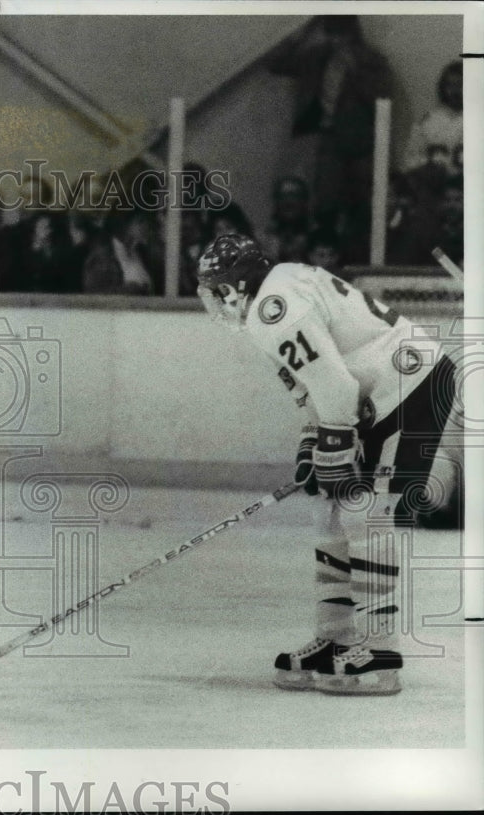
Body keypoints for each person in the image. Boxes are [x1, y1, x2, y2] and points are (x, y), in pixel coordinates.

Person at [196, 233, 459, 695]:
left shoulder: (273, 306)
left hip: (415, 386)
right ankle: (335, 639)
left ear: (237, 286)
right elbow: (314, 389)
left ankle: (380, 654)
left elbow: (335, 386)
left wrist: (333, 445)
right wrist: (312, 444)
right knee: (331, 511)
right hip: (379, 395)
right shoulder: (273, 300)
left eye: (217, 291)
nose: (215, 303)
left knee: (369, 513)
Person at [266, 15, 393, 263]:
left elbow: (382, 97)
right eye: (332, 33)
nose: (337, 40)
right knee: (326, 204)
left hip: (361, 143)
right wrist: (299, 33)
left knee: (362, 206)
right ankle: (324, 257)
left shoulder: (370, 59)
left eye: (341, 33)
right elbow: (275, 63)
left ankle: (358, 260)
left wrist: (355, 69)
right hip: (329, 137)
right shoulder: (317, 55)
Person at [403, 61, 462, 178]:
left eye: (461, 84)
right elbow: (410, 159)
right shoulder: (428, 121)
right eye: (450, 85)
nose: (455, 91)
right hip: (434, 187)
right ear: (442, 87)